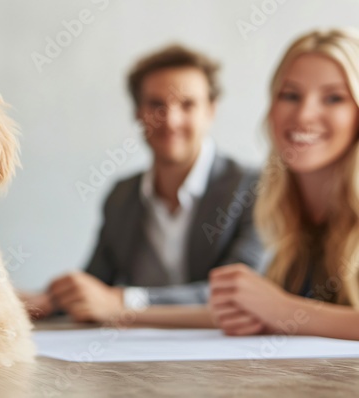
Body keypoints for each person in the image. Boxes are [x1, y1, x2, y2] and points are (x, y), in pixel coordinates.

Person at [27, 44, 265, 322]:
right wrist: (49, 300)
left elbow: (239, 294)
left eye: (187, 104)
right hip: (137, 358)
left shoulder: (254, 188)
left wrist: (125, 300)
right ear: (138, 113)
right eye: (156, 105)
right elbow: (96, 285)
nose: (171, 120)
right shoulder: (122, 195)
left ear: (210, 111)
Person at [207, 28, 359, 340]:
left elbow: (280, 310)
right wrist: (119, 310)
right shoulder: (292, 223)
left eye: (334, 98)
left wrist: (282, 312)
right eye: (291, 95)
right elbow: (262, 311)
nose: (304, 115)